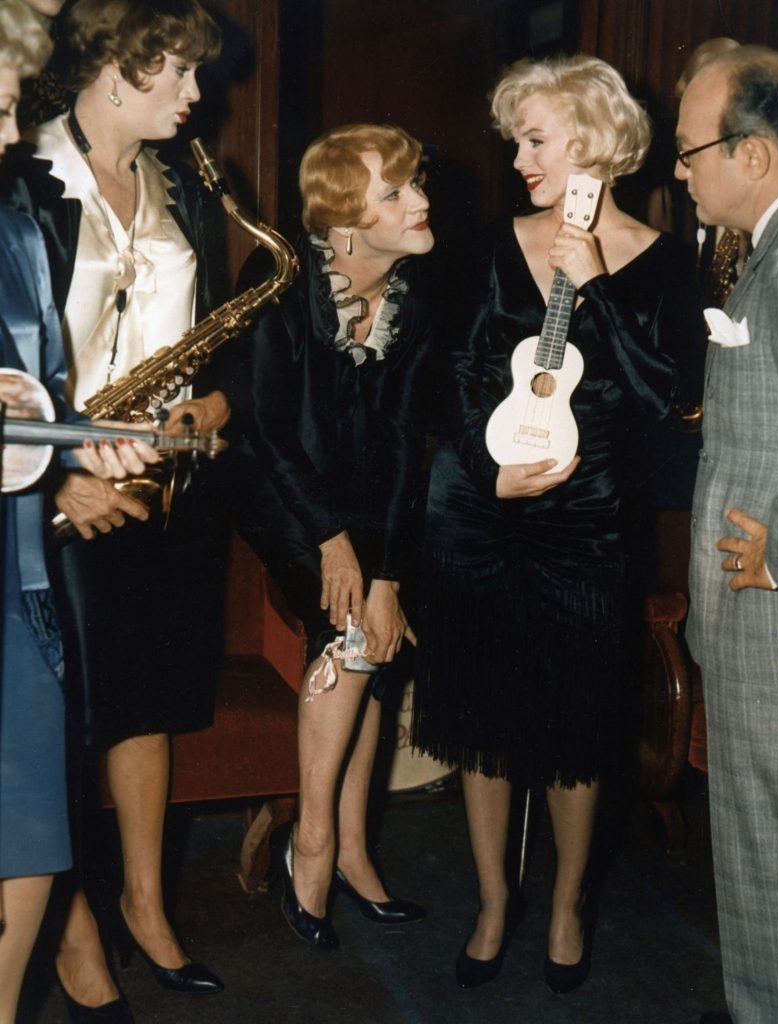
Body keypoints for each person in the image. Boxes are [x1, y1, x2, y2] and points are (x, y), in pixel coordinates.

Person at [412, 54, 700, 994]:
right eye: (516, 143)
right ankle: (494, 900)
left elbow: (668, 396)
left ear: (593, 139)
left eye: (535, 140)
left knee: (577, 727)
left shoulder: (665, 262)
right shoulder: (485, 247)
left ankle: (568, 904)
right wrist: (484, 469)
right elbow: (448, 378)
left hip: (588, 522)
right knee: (482, 717)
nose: (519, 161)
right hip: (478, 510)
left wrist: (596, 286)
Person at [1, 1, 233, 1018]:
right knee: (51, 730)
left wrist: (216, 405)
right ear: (113, 69)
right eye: (176, 71)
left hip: (155, 480)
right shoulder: (25, 179)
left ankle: (144, 902)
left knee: (146, 704)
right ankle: (72, 929)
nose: (196, 94)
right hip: (52, 490)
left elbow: (219, 332)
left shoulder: (185, 182)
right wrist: (59, 477)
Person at [236, 123, 434, 950]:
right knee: (349, 627)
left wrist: (387, 573)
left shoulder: (414, 297)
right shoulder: (280, 283)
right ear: (346, 223)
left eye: (415, 183)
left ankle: (353, 848)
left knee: (376, 629)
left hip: (366, 502)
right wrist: (331, 542)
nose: (421, 201)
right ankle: (313, 842)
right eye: (396, 193)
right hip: (278, 491)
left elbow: (406, 442)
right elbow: (264, 431)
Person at [0, 3, 159, 1020]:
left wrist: (75, 447)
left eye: (13, 108)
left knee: (27, 824)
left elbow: (40, 389)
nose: (12, 135)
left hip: (13, 572)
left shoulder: (16, 228)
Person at [674, 46, 778, 1024]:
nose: (681, 172)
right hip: (767, 614)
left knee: (769, 848)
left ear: (751, 154)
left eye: (690, 152)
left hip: (777, 623)